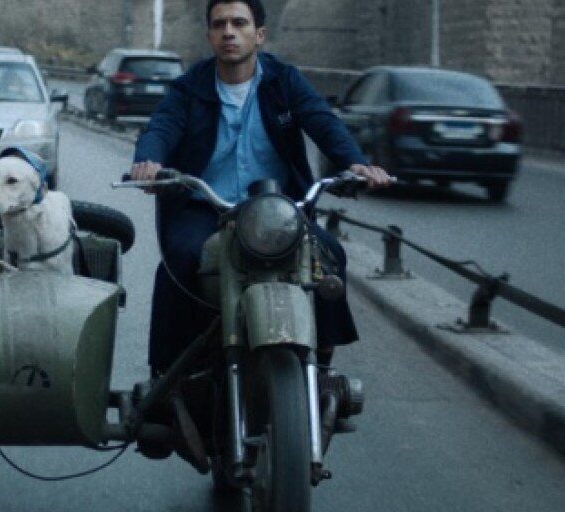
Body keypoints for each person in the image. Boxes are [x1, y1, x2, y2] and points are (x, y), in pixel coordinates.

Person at [130, 0, 392, 377]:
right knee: (181, 258)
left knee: (329, 254)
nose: (229, 32)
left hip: (277, 209)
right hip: (206, 209)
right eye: (219, 24)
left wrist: (355, 163)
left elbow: (323, 122)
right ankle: (168, 372)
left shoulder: (283, 81)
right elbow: (161, 126)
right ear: (209, 35)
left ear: (260, 34)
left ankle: (321, 361)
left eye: (239, 23)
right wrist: (149, 161)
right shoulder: (189, 87)